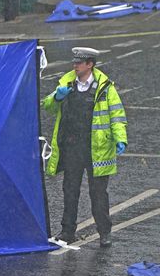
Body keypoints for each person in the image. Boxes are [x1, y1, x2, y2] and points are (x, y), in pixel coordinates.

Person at [43, 47, 127, 247]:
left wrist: (120, 138)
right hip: (73, 147)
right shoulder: (66, 83)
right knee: (70, 191)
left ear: (90, 64)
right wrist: (57, 97)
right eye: (74, 62)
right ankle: (67, 232)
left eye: (79, 62)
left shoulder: (105, 87)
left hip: (96, 149)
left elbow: (117, 115)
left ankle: (104, 232)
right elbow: (48, 107)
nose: (75, 65)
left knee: (98, 194)